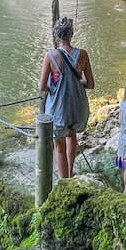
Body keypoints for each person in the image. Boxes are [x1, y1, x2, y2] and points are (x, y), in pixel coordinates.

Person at [37, 16, 94, 179]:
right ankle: (70, 172)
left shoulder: (51, 56)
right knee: (72, 136)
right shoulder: (83, 54)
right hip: (78, 107)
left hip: (58, 107)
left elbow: (42, 86)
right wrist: (76, 85)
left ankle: (64, 181)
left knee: (59, 145)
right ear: (71, 34)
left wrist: (55, 88)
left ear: (57, 35)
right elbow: (90, 84)